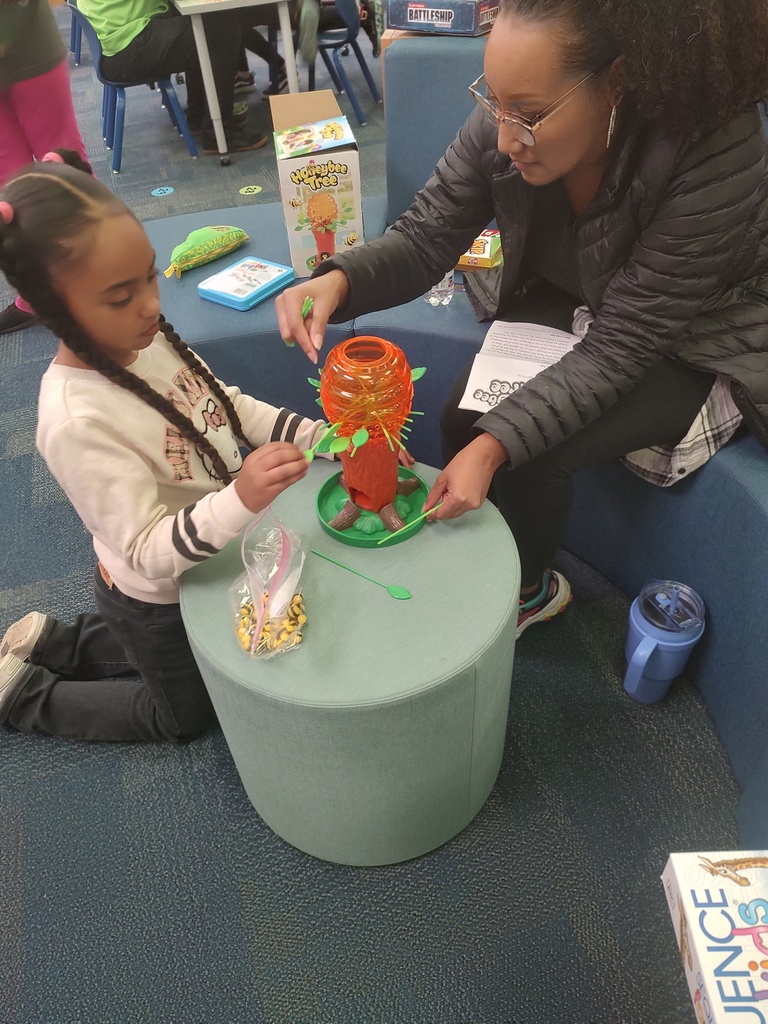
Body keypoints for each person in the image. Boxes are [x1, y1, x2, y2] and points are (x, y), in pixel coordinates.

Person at [275, 0, 768, 638]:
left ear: (615, 80)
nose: (506, 139)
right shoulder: (508, 119)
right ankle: (480, 559)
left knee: (527, 450)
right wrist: (340, 279)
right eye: (494, 102)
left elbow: (624, 344)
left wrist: (497, 446)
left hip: (696, 330)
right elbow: (428, 234)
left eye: (530, 116)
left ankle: (529, 592)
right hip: (582, 291)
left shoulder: (715, 146)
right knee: (463, 415)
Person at [0, 159, 329, 742]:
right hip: (157, 595)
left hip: (207, 554)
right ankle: (26, 698)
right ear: (51, 308)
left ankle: (60, 643)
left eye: (149, 278)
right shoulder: (75, 420)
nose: (151, 305)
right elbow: (148, 550)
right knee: (182, 717)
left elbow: (223, 404)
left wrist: (319, 438)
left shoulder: (145, 340)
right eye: (120, 296)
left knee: (184, 649)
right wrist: (240, 499)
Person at [0, 0, 89, 335]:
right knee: (10, 188)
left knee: (63, 166)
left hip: (29, 49)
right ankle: (35, 293)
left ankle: (94, 271)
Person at [77, 0, 267, 154]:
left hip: (114, 40)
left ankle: (197, 115)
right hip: (129, 45)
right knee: (221, 29)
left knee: (202, 21)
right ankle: (219, 134)